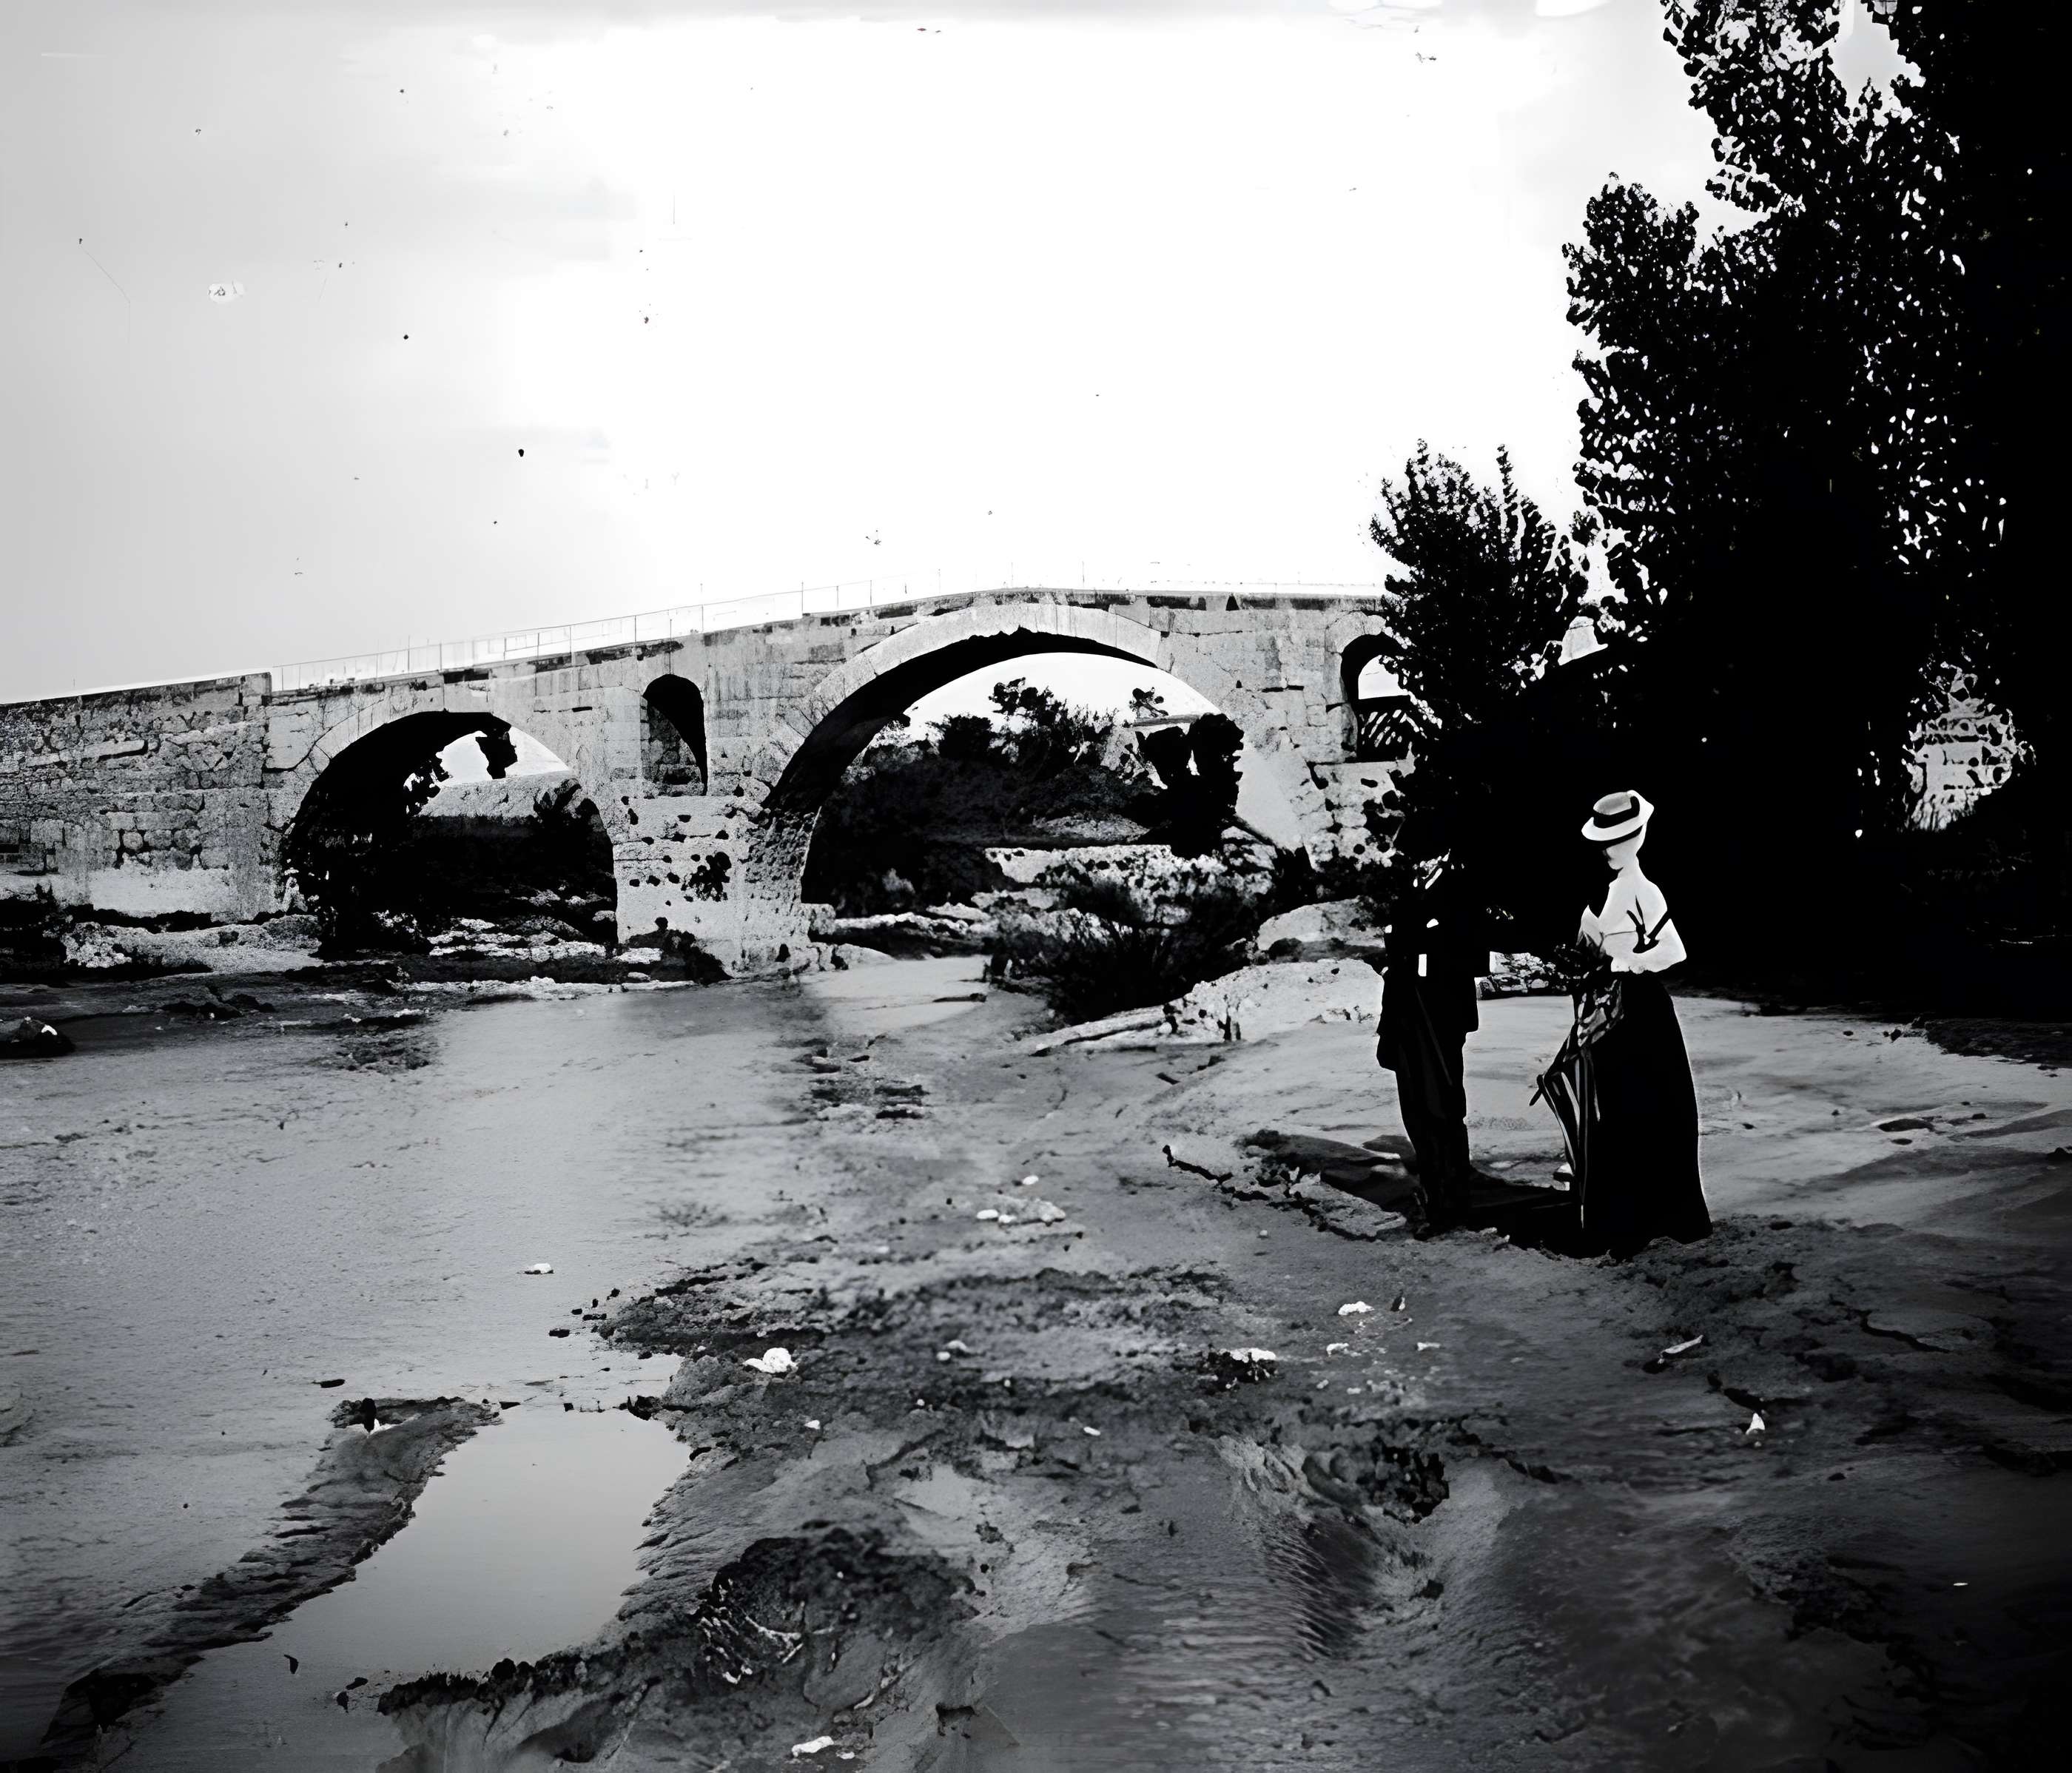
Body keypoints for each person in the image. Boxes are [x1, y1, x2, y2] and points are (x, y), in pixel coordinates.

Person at [1569, 790, 1710, 1254]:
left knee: (1660, 1109)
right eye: (1607, 841)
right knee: (1618, 1112)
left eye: (1623, 838)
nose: (1612, 849)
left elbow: (1675, 951)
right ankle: (1624, 1221)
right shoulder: (1599, 895)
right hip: (1606, 1011)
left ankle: (1670, 1215)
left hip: (1643, 1011)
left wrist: (1625, 962)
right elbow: (1584, 949)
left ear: (1639, 837)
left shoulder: (1645, 892)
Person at [1376, 821, 1494, 1237]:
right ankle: (1435, 1198)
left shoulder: (1460, 890)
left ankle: (1452, 1205)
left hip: (1439, 1015)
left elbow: (1476, 956)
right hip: (1407, 1012)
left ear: (1442, 855)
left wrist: (1426, 960)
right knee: (1416, 1111)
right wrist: (1397, 964)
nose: (1416, 864)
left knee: (1441, 1109)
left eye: (1423, 857)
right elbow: (1396, 942)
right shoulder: (1411, 888)